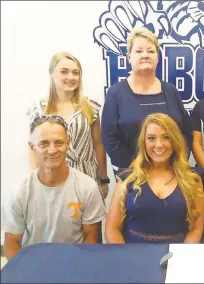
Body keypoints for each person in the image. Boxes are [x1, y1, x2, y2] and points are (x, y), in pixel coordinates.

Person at [2, 115, 106, 260]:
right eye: (43, 143)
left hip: (74, 263)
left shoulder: (87, 187)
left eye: (58, 143)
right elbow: (12, 243)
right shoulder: (19, 192)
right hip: (33, 264)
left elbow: (91, 238)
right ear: (32, 147)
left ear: (68, 143)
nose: (52, 150)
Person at [101, 27, 192, 177]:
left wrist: (177, 161)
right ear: (129, 56)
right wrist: (134, 166)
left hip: (171, 173)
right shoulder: (116, 93)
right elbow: (110, 138)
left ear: (158, 56)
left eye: (150, 51)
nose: (145, 55)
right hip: (132, 174)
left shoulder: (170, 91)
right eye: (138, 51)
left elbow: (186, 133)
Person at [105, 113, 204, 244]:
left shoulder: (193, 179)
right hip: (133, 257)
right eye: (151, 138)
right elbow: (112, 229)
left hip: (175, 257)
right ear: (143, 143)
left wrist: (181, 259)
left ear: (175, 141)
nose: (159, 145)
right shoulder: (127, 178)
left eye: (166, 137)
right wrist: (126, 259)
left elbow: (196, 229)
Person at [26, 52, 109, 199]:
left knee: (90, 220)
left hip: (87, 177)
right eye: (64, 72)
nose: (71, 77)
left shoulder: (90, 107)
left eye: (75, 73)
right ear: (52, 74)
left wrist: (103, 179)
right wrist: (35, 183)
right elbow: (33, 149)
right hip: (52, 177)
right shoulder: (39, 110)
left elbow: (98, 145)